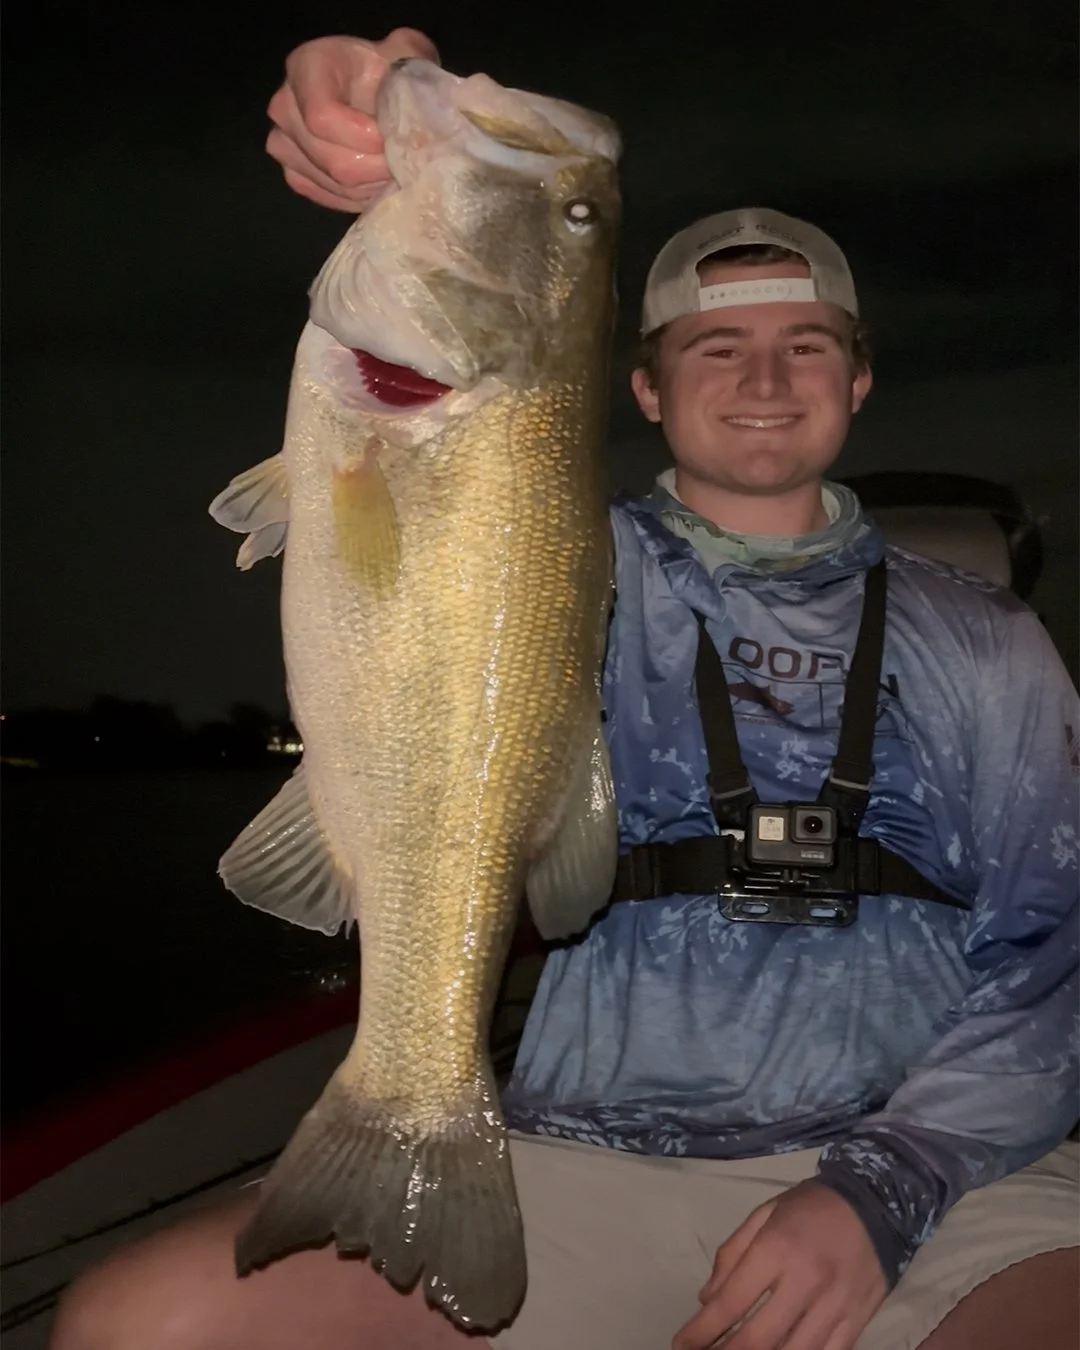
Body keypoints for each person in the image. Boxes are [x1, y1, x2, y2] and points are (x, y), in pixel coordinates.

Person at [52, 29, 1079, 1350]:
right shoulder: (557, 563)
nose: (764, 379)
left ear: (860, 379)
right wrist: (380, 110)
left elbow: (1058, 959)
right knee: (145, 1322)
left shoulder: (993, 641)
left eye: (807, 345)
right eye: (715, 350)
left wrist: (876, 1194)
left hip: (941, 1173)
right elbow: (440, 440)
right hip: (589, 1157)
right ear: (640, 384)